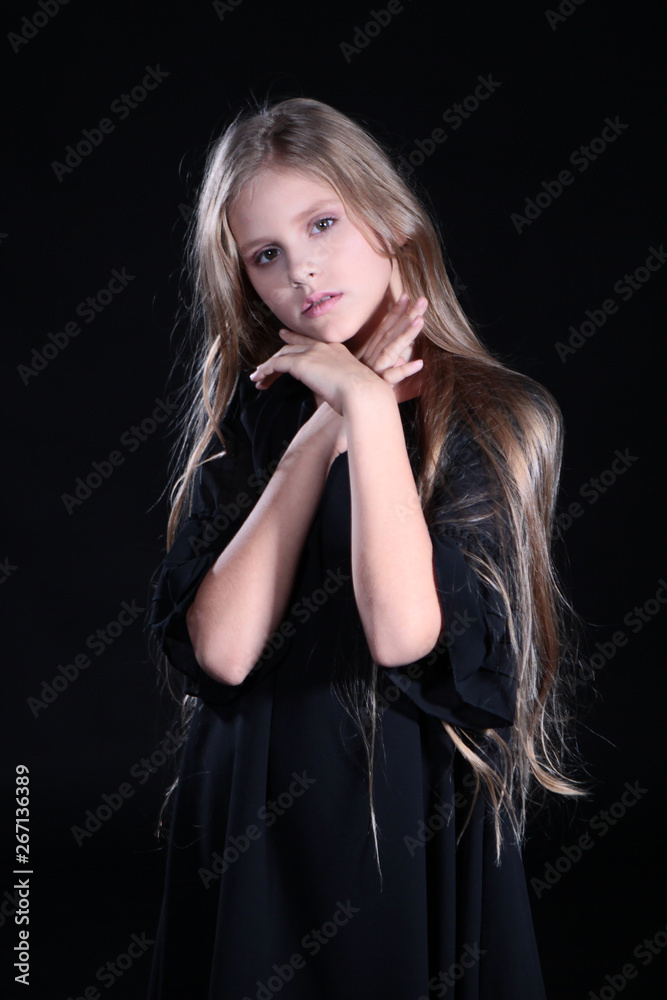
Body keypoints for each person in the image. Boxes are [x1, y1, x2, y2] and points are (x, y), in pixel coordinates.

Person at [145, 96, 583, 999]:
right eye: (266, 255)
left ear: (389, 220)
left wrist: (372, 410)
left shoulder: (492, 419)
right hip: (250, 811)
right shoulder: (253, 421)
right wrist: (320, 429)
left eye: (323, 224)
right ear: (248, 283)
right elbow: (222, 652)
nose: (302, 270)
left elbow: (402, 635)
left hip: (401, 814)